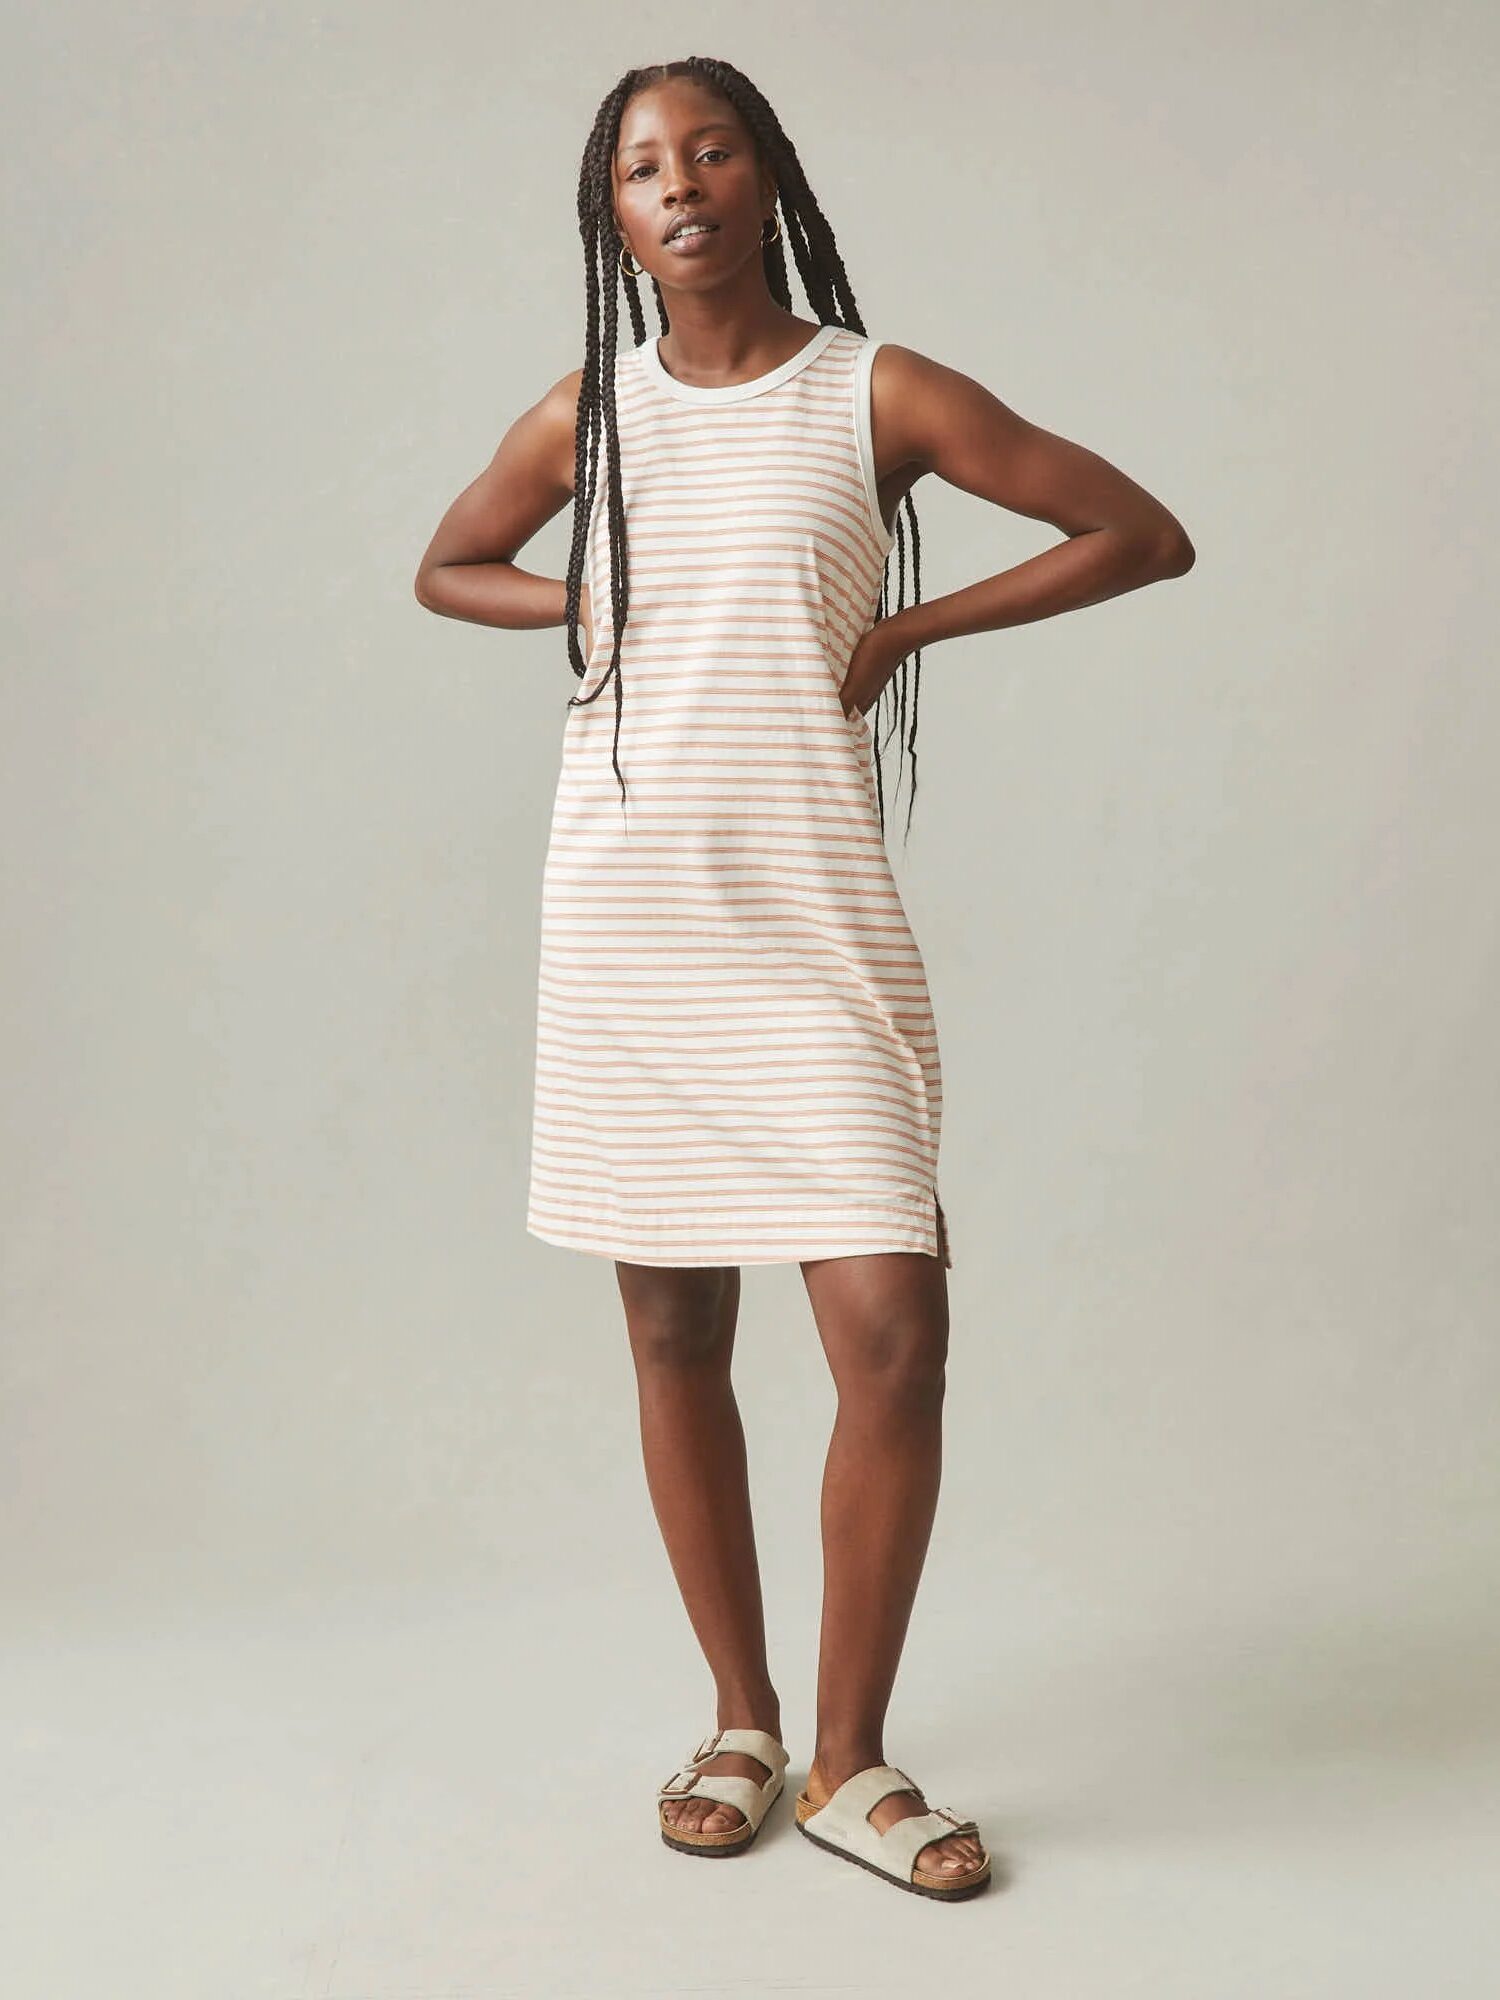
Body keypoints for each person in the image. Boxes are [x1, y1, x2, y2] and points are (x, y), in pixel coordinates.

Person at [415, 57, 1193, 1904]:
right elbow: (450, 568)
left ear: (768, 177)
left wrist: (905, 627)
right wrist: (580, 605)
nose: (677, 185)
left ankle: (851, 1758)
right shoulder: (588, 418)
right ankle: (744, 1721)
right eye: (639, 168)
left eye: (710, 151)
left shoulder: (880, 391)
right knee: (676, 1329)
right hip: (628, 923)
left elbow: (1138, 532)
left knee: (889, 1327)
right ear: (613, 217)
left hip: (810, 923)